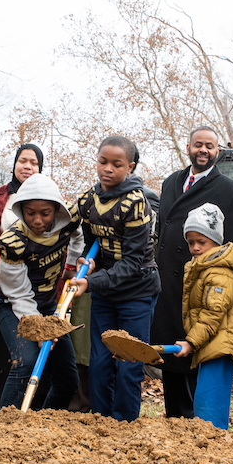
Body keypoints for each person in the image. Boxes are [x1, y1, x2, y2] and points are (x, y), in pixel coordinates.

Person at [152, 126, 233, 418]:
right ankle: (174, 419)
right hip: (170, 285)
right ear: (188, 147)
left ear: (218, 151)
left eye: (210, 146)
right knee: (171, 357)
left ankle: (197, 423)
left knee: (194, 351)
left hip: (204, 285)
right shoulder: (171, 182)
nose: (203, 150)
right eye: (198, 145)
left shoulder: (231, 192)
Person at [69, 136, 161, 422]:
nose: (108, 169)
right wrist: (87, 259)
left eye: (116, 164)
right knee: (98, 362)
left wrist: (90, 283)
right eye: (103, 162)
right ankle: (101, 420)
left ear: (130, 167)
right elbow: (89, 239)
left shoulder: (136, 203)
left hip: (137, 290)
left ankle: (125, 424)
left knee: (128, 362)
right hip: (106, 293)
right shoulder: (88, 199)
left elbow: (133, 262)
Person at [0, 173, 84, 410]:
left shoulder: (68, 221)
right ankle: (6, 424)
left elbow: (77, 236)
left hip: (48, 305)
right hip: (12, 305)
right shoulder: (13, 242)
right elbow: (17, 293)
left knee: (67, 378)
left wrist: (71, 266)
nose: (36, 220)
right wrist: (39, 328)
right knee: (26, 362)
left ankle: (46, 422)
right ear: (20, 209)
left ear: (56, 210)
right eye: (30, 212)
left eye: (45, 213)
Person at [173, 203, 233, 429]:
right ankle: (212, 441)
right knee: (204, 401)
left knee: (209, 406)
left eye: (202, 242)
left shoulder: (220, 272)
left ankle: (216, 446)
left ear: (216, 241)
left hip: (220, 344)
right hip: (212, 343)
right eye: (191, 242)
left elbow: (212, 314)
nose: (196, 248)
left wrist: (191, 342)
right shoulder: (203, 267)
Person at [0, 144, 43, 410]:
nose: (27, 166)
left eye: (34, 162)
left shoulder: (49, 198)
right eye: (23, 161)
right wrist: (6, 258)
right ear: (14, 164)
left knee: (29, 351)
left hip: (35, 287)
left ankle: (31, 406)